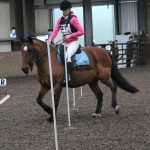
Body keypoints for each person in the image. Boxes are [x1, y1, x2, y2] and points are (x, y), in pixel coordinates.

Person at [48, 0, 85, 82]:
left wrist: (71, 35)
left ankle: (68, 76)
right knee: (57, 56)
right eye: (63, 10)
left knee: (67, 56)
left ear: (69, 9)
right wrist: (50, 39)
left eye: (65, 10)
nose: (64, 12)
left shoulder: (73, 19)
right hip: (64, 43)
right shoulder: (59, 20)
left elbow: (82, 31)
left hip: (73, 43)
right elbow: (55, 31)